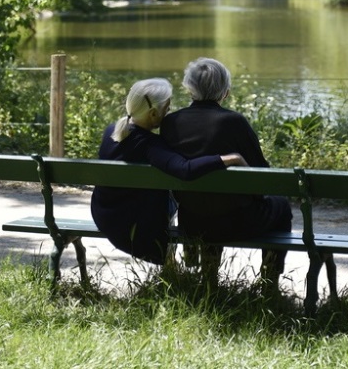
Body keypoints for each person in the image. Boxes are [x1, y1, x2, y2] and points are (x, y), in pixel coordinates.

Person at [160, 57, 292, 282]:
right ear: (226, 92)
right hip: (237, 223)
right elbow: (262, 176)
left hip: (191, 222)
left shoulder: (170, 122)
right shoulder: (234, 123)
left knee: (210, 202)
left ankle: (209, 279)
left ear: (189, 89)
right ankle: (270, 282)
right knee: (281, 206)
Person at [91, 77, 246, 265]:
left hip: (104, 214)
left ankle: (190, 255)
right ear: (154, 114)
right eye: (167, 108)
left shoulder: (112, 130)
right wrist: (229, 158)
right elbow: (185, 170)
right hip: (130, 226)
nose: (169, 111)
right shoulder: (150, 145)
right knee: (184, 194)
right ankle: (191, 250)